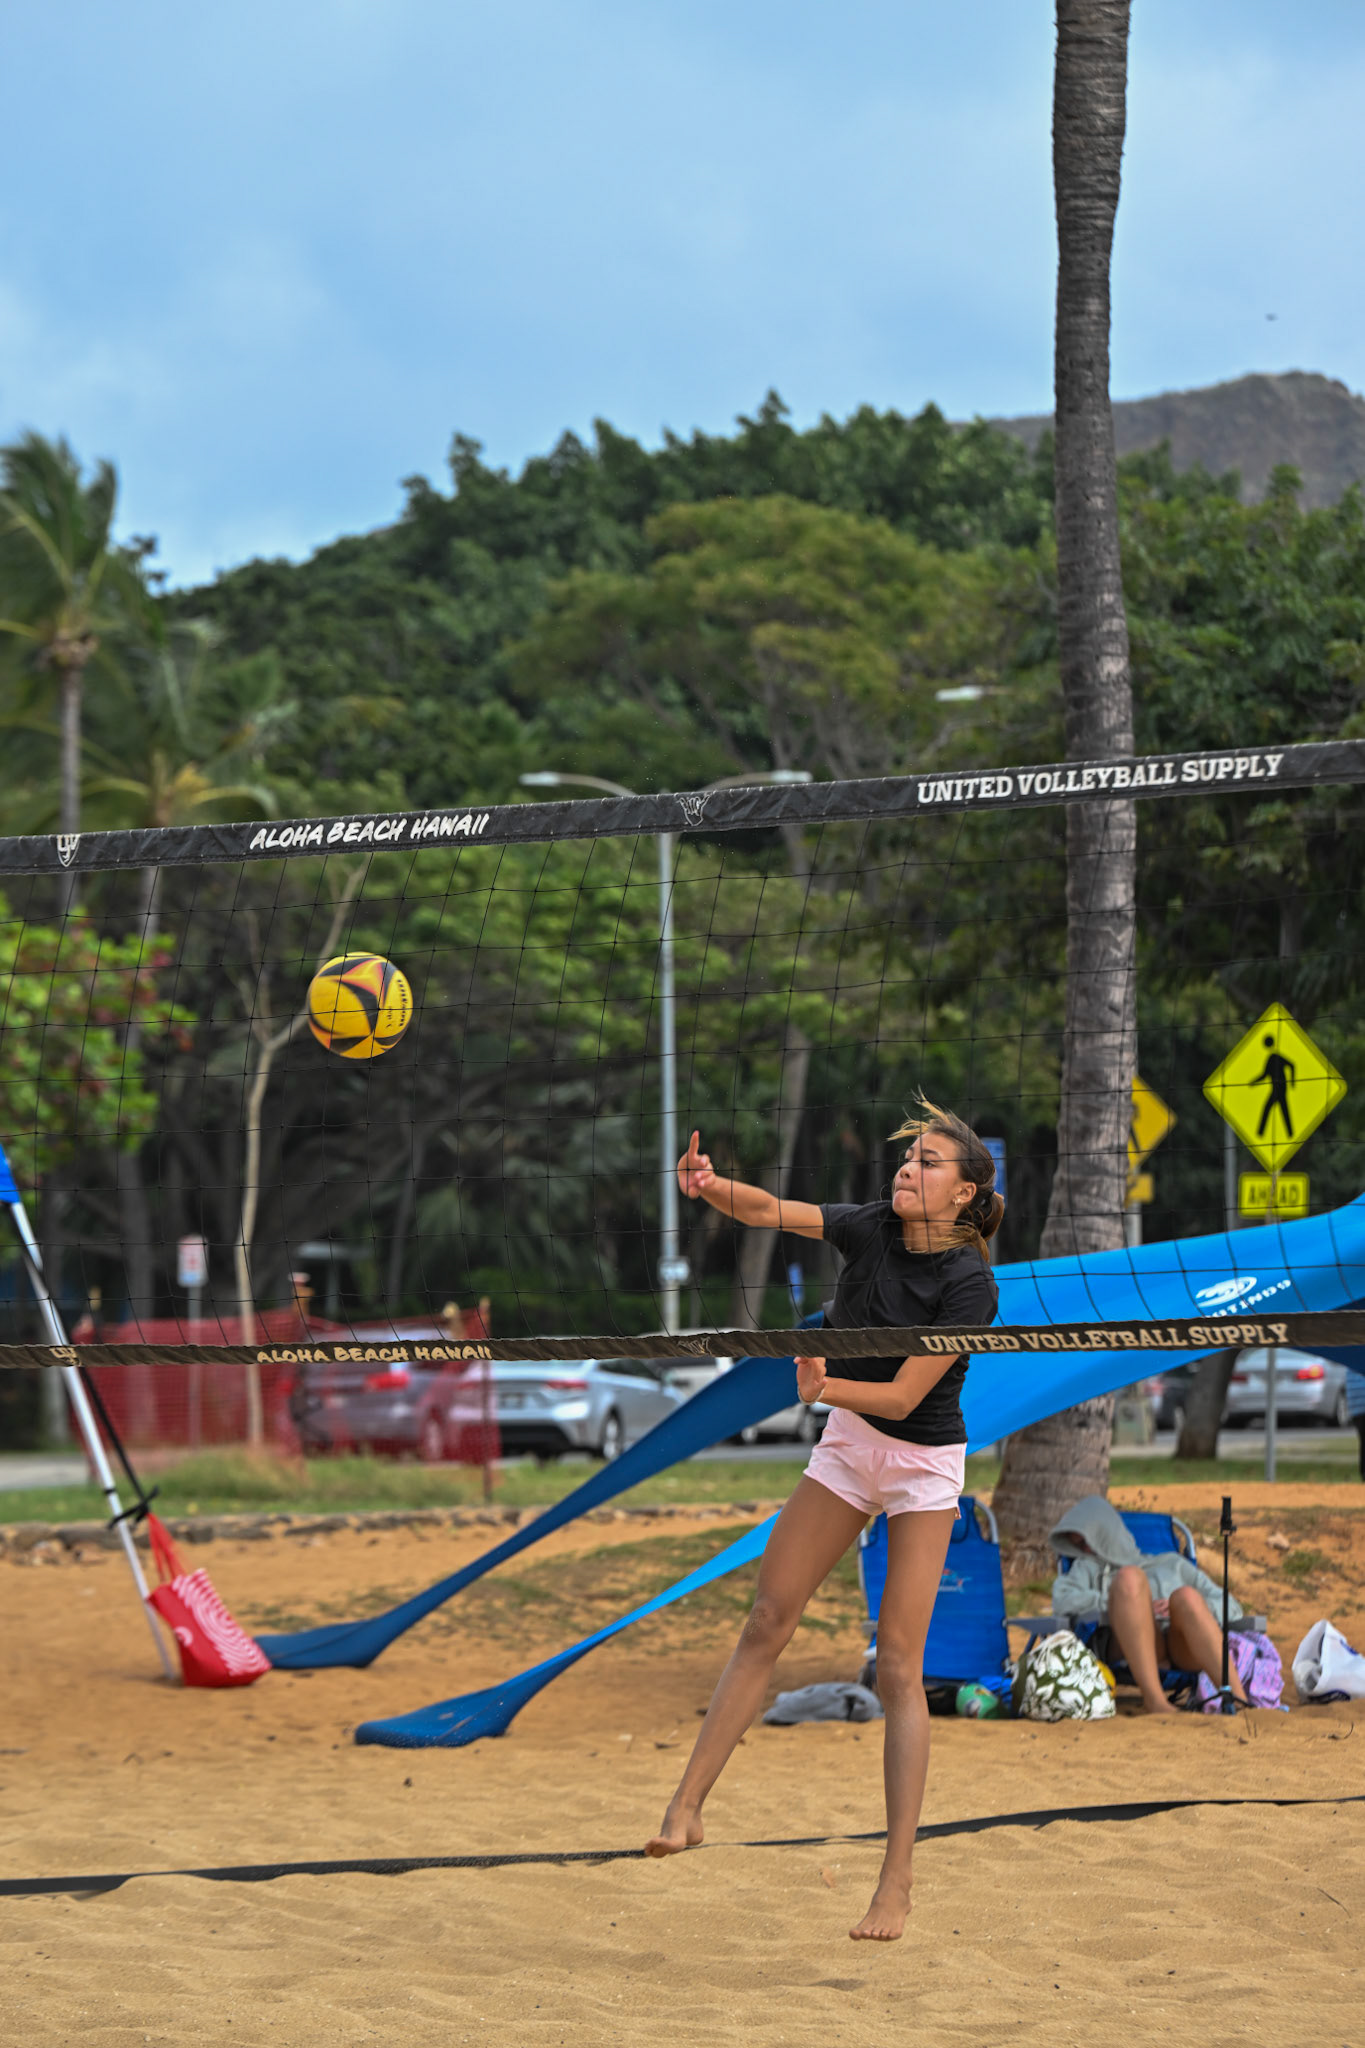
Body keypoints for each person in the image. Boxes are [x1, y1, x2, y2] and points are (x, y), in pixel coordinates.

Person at [645, 1098, 1003, 1942]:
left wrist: (820, 1387)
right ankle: (686, 1808)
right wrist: (708, 1187)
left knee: (897, 1673)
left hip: (918, 1461)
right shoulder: (871, 1226)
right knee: (768, 1616)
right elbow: (771, 1209)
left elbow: (905, 1396)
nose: (908, 1169)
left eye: (927, 1162)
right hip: (848, 1446)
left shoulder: (968, 1283)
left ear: (963, 1193)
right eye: (908, 1156)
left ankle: (896, 1882)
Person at [1049, 1496, 1248, 1713]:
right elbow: (1062, 1599)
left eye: (1087, 1541)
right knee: (1129, 1579)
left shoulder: (1173, 1564)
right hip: (1125, 1647)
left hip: (1180, 1648)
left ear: (1106, 1533)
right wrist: (1124, 1603)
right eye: (1077, 1545)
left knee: (1186, 1597)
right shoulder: (1087, 1568)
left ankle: (1239, 1701)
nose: (1085, 1550)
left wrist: (1176, 1608)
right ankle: (1155, 1701)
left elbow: (1232, 1606)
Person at [1346, 1363, 1365, 1481]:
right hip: (1360, 1400)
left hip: (1355, 1404)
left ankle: (1363, 1472)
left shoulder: (1351, 1356)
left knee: (1363, 1441)